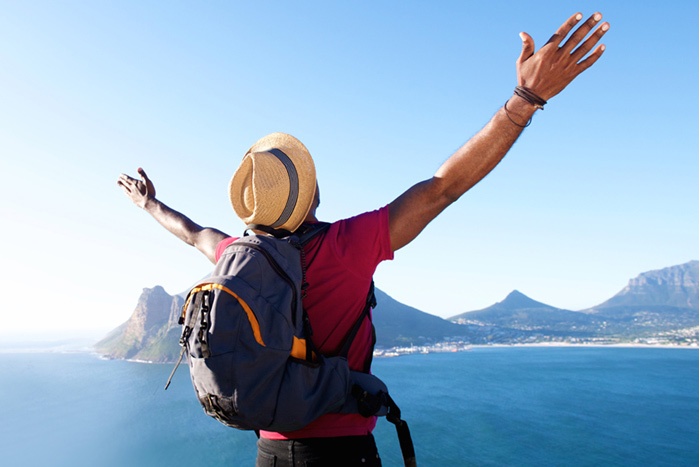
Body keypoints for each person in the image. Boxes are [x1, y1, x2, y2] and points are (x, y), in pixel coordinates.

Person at [118, 12, 609, 467]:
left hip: (269, 453)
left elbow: (191, 233)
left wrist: (148, 205)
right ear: (311, 194)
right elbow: (443, 188)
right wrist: (525, 100)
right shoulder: (348, 246)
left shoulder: (233, 256)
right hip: (341, 452)